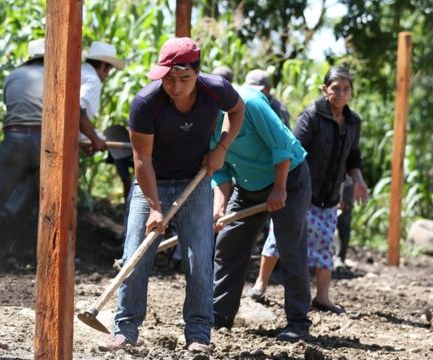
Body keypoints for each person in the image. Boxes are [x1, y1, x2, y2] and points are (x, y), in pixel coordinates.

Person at [98, 37, 245, 355]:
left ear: (198, 72)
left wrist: (221, 149)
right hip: (150, 183)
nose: (175, 87)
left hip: (195, 181)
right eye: (169, 79)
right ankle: (125, 330)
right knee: (135, 258)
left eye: (184, 79)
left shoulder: (216, 89)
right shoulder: (146, 103)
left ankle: (198, 334)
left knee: (199, 261)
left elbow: (237, 110)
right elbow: (142, 161)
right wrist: (154, 207)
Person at [0, 39, 124, 257]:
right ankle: (42, 256)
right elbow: (73, 114)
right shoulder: (58, 76)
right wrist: (93, 139)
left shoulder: (13, 76)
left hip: (14, 138)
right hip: (47, 143)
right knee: (47, 202)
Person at [251, 66, 369, 315]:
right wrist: (284, 186)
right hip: (301, 191)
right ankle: (260, 284)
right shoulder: (312, 116)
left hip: (329, 195)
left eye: (345, 89)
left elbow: (353, 157)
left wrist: (358, 180)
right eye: (335, 88)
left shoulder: (353, 121)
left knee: (325, 244)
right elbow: (292, 150)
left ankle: (323, 297)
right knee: (280, 238)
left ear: (351, 93)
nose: (340, 93)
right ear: (325, 89)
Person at [211, 84, 312, 342]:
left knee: (290, 247)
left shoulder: (250, 104)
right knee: (228, 246)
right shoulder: (201, 124)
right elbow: (220, 171)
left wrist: (279, 189)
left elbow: (282, 146)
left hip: (288, 177)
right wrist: (220, 204)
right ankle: (218, 316)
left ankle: (298, 322)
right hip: (247, 188)